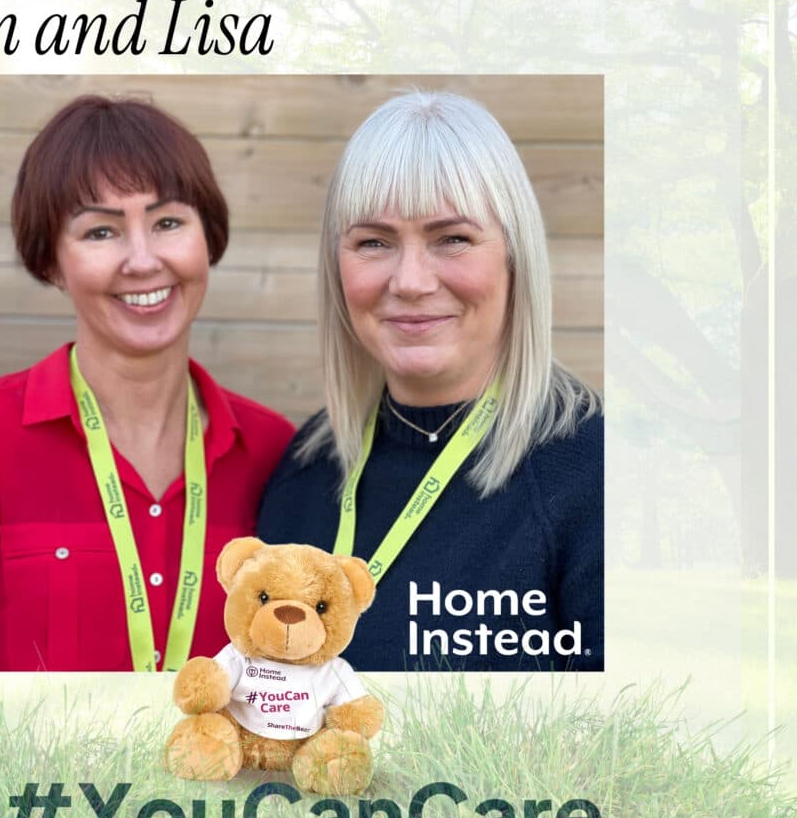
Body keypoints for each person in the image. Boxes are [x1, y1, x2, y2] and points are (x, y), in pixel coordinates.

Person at [258, 90, 602, 672]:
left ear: (515, 256)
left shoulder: (593, 480)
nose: (411, 281)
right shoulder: (303, 473)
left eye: (452, 239)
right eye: (374, 242)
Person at [0, 95, 294, 672]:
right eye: (100, 232)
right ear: (51, 262)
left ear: (207, 238)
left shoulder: (276, 455)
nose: (142, 260)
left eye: (167, 223)